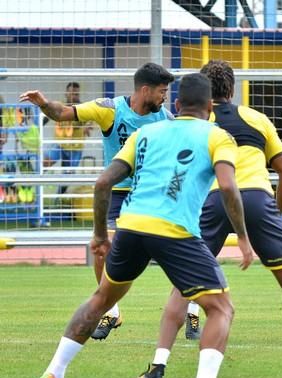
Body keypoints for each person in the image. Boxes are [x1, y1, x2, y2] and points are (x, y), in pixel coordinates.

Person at [35, 72, 254, 378]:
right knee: (221, 307)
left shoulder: (146, 132)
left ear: (177, 104)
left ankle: (53, 375)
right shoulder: (218, 136)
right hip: (175, 231)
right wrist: (242, 236)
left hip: (131, 226)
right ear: (210, 107)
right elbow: (227, 187)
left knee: (100, 300)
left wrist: (98, 235)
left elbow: (102, 183)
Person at [132, 60, 282, 378]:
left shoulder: (194, 124)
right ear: (231, 90)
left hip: (212, 202)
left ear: (203, 95)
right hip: (258, 200)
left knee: (183, 285)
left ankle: (158, 366)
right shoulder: (256, 118)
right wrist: (276, 209)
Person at [20, 63, 176, 339]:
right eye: (162, 91)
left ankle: (192, 310)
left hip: (153, 194)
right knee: (102, 249)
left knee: (176, 251)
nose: (165, 97)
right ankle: (111, 311)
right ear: (145, 90)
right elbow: (63, 113)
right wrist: (43, 104)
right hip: (117, 194)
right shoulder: (110, 110)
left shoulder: (166, 119)